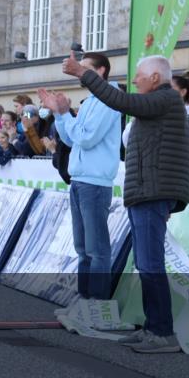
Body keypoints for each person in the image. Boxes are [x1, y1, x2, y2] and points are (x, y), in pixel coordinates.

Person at [62, 53, 189, 354]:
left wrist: (83, 73)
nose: (134, 81)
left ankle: (162, 333)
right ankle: (153, 328)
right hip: (146, 193)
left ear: (155, 78)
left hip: (151, 194)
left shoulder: (166, 99)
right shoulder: (159, 105)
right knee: (146, 264)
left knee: (150, 265)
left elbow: (123, 102)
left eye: (139, 77)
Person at [39, 52, 122, 305]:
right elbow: (70, 139)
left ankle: (97, 305)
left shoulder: (110, 99)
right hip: (79, 181)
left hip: (95, 183)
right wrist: (61, 115)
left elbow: (86, 138)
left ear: (101, 72)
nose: (77, 72)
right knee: (83, 249)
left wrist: (65, 115)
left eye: (84, 68)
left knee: (97, 250)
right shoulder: (89, 102)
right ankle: (84, 301)